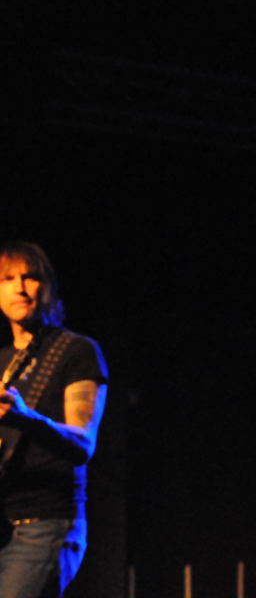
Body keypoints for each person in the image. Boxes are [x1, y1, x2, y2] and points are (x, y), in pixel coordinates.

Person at [0, 241, 108, 598]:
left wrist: (25, 417)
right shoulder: (2, 360)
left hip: (44, 524)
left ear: (46, 287)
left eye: (29, 277)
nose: (19, 288)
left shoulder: (75, 351)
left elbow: (83, 443)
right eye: (7, 279)